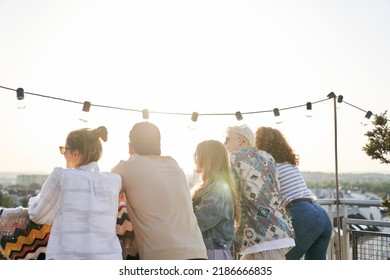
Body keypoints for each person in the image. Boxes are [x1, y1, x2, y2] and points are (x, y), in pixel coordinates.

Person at [112, 121, 207, 260]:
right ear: (159, 144)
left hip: (162, 256)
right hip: (197, 252)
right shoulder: (173, 165)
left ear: (130, 146)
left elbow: (103, 193)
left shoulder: (126, 168)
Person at [28, 126, 122, 260]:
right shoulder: (115, 180)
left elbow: (37, 214)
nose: (64, 154)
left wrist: (34, 200)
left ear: (76, 153)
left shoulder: (62, 176)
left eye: (64, 150)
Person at [255, 126, 333, 260]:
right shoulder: (289, 163)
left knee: (282, 261)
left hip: (303, 215)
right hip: (321, 214)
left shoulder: (270, 165)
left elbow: (264, 197)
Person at [224, 124, 295, 260]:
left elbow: (225, 191)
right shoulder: (267, 157)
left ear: (240, 140)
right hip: (279, 230)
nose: (224, 143)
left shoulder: (234, 158)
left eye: (227, 139)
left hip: (261, 236)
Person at [191, 140, 241, 260]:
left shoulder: (218, 189)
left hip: (212, 253)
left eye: (197, 154)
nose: (195, 158)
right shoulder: (213, 186)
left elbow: (199, 223)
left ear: (207, 158)